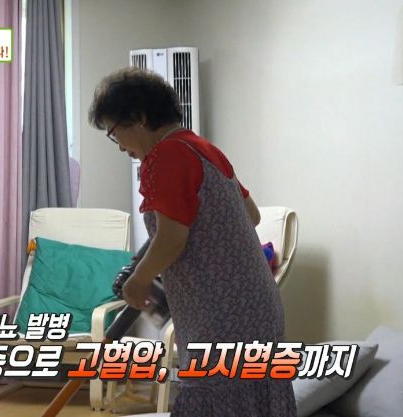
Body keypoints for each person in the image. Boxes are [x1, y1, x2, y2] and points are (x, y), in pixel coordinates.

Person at [88, 67, 297, 417]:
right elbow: (252, 216)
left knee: (214, 395)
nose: (120, 146)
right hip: (258, 306)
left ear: (139, 117)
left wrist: (139, 279)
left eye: (114, 133)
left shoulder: (163, 156)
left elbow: (173, 238)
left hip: (220, 314)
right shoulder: (203, 148)